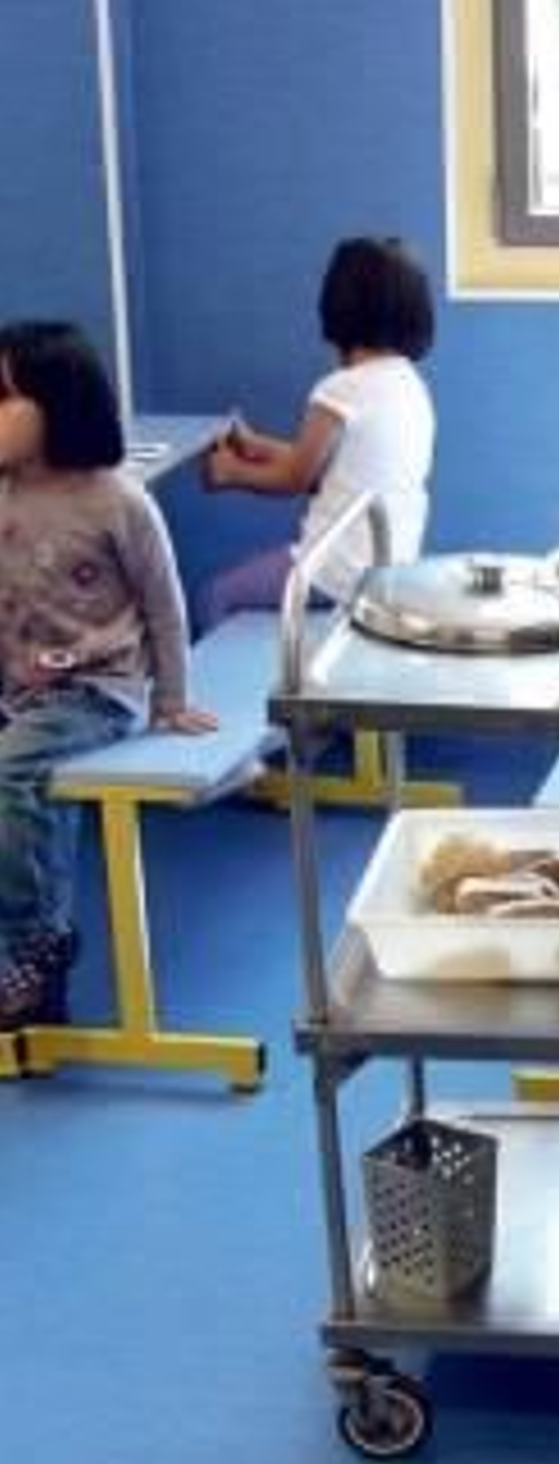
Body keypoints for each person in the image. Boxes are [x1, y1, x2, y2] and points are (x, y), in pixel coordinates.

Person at [0, 321, 216, 1027]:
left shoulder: (117, 502)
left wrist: (172, 699)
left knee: (11, 775)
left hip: (96, 688)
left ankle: (37, 943)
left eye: (5, 397)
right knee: (22, 781)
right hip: (18, 683)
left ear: (57, 405)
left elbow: (164, 605)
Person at [201, 236, 436, 619]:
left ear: (339, 306)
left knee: (217, 595)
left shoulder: (340, 389)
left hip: (333, 573)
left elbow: (296, 478)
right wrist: (255, 444)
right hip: (390, 570)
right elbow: (331, 464)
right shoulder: (410, 385)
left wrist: (230, 473)